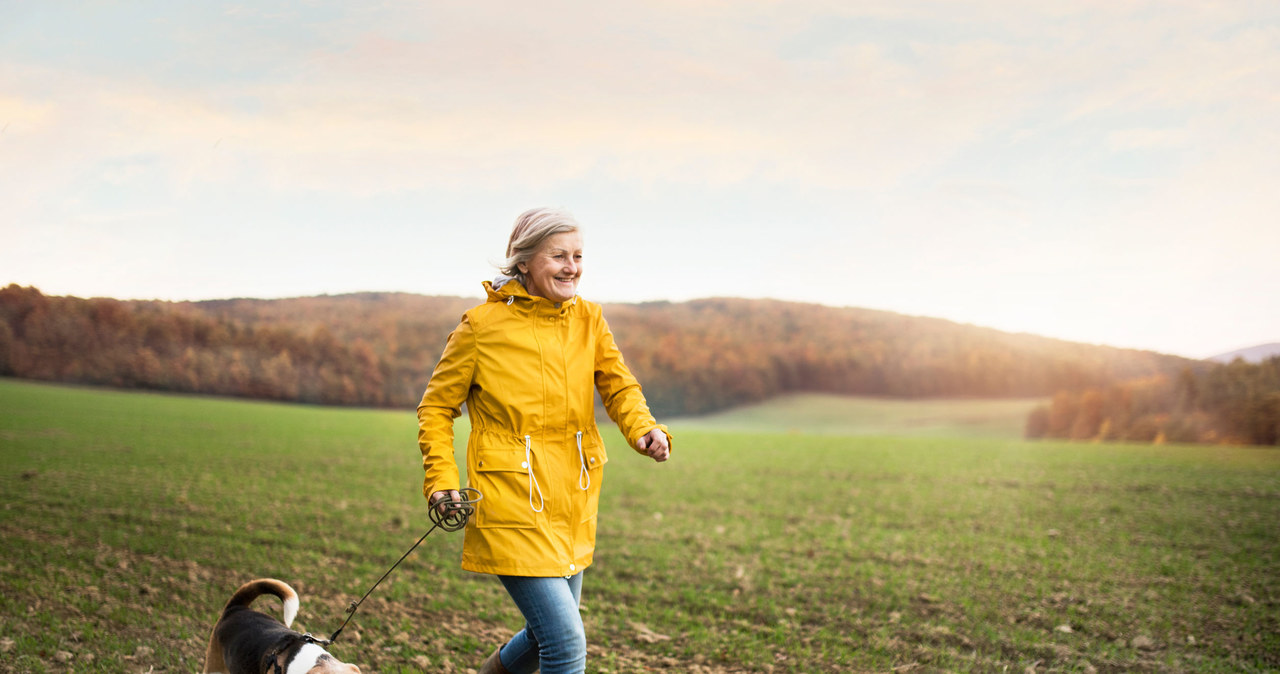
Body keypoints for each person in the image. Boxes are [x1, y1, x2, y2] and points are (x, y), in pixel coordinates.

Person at [417, 207, 672, 674]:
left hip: (572, 497)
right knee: (565, 642)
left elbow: (618, 385)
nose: (572, 266)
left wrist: (644, 428)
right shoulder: (480, 327)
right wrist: (441, 477)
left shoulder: (589, 320)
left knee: (543, 636)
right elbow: (435, 408)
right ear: (525, 261)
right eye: (558, 256)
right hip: (509, 498)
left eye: (577, 255)